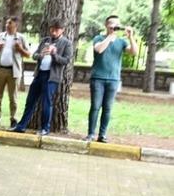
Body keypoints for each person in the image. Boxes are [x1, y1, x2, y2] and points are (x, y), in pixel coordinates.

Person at [11, 19, 74, 136]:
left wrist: (54, 54)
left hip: (52, 77)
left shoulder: (67, 43)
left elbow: (66, 61)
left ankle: (45, 128)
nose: (53, 32)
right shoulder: (45, 40)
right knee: (30, 102)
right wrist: (41, 55)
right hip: (39, 74)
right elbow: (34, 55)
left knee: (46, 103)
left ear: (62, 30)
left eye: (56, 30)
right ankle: (21, 126)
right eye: (52, 29)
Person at [86, 15, 137, 143]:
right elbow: (99, 50)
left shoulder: (121, 42)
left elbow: (134, 52)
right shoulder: (99, 38)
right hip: (98, 78)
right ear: (106, 25)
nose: (115, 26)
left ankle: (102, 135)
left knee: (107, 108)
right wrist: (109, 36)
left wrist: (131, 37)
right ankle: (91, 134)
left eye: (117, 24)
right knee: (95, 106)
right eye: (112, 24)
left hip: (113, 79)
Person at [0, 17, 30, 128]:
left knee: (13, 97)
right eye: (7, 23)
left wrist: (20, 49)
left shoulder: (21, 38)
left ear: (15, 26)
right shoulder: (0, 37)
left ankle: (13, 119)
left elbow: (28, 55)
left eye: (10, 24)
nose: (7, 25)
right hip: (0, 69)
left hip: (14, 71)